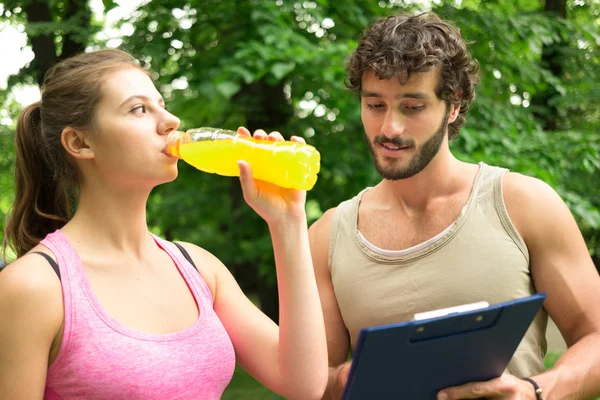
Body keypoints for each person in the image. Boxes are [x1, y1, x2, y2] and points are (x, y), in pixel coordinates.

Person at [0, 49, 328, 400]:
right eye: (139, 109)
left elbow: (303, 384)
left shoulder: (198, 268)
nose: (170, 120)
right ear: (80, 142)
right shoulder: (34, 287)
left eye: (161, 103)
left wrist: (288, 222)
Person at [308, 11, 600, 400]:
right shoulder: (328, 235)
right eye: (374, 104)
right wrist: (353, 378)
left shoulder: (524, 205)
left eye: (412, 107)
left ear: (455, 105)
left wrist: (535, 391)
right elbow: (312, 384)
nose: (389, 128)